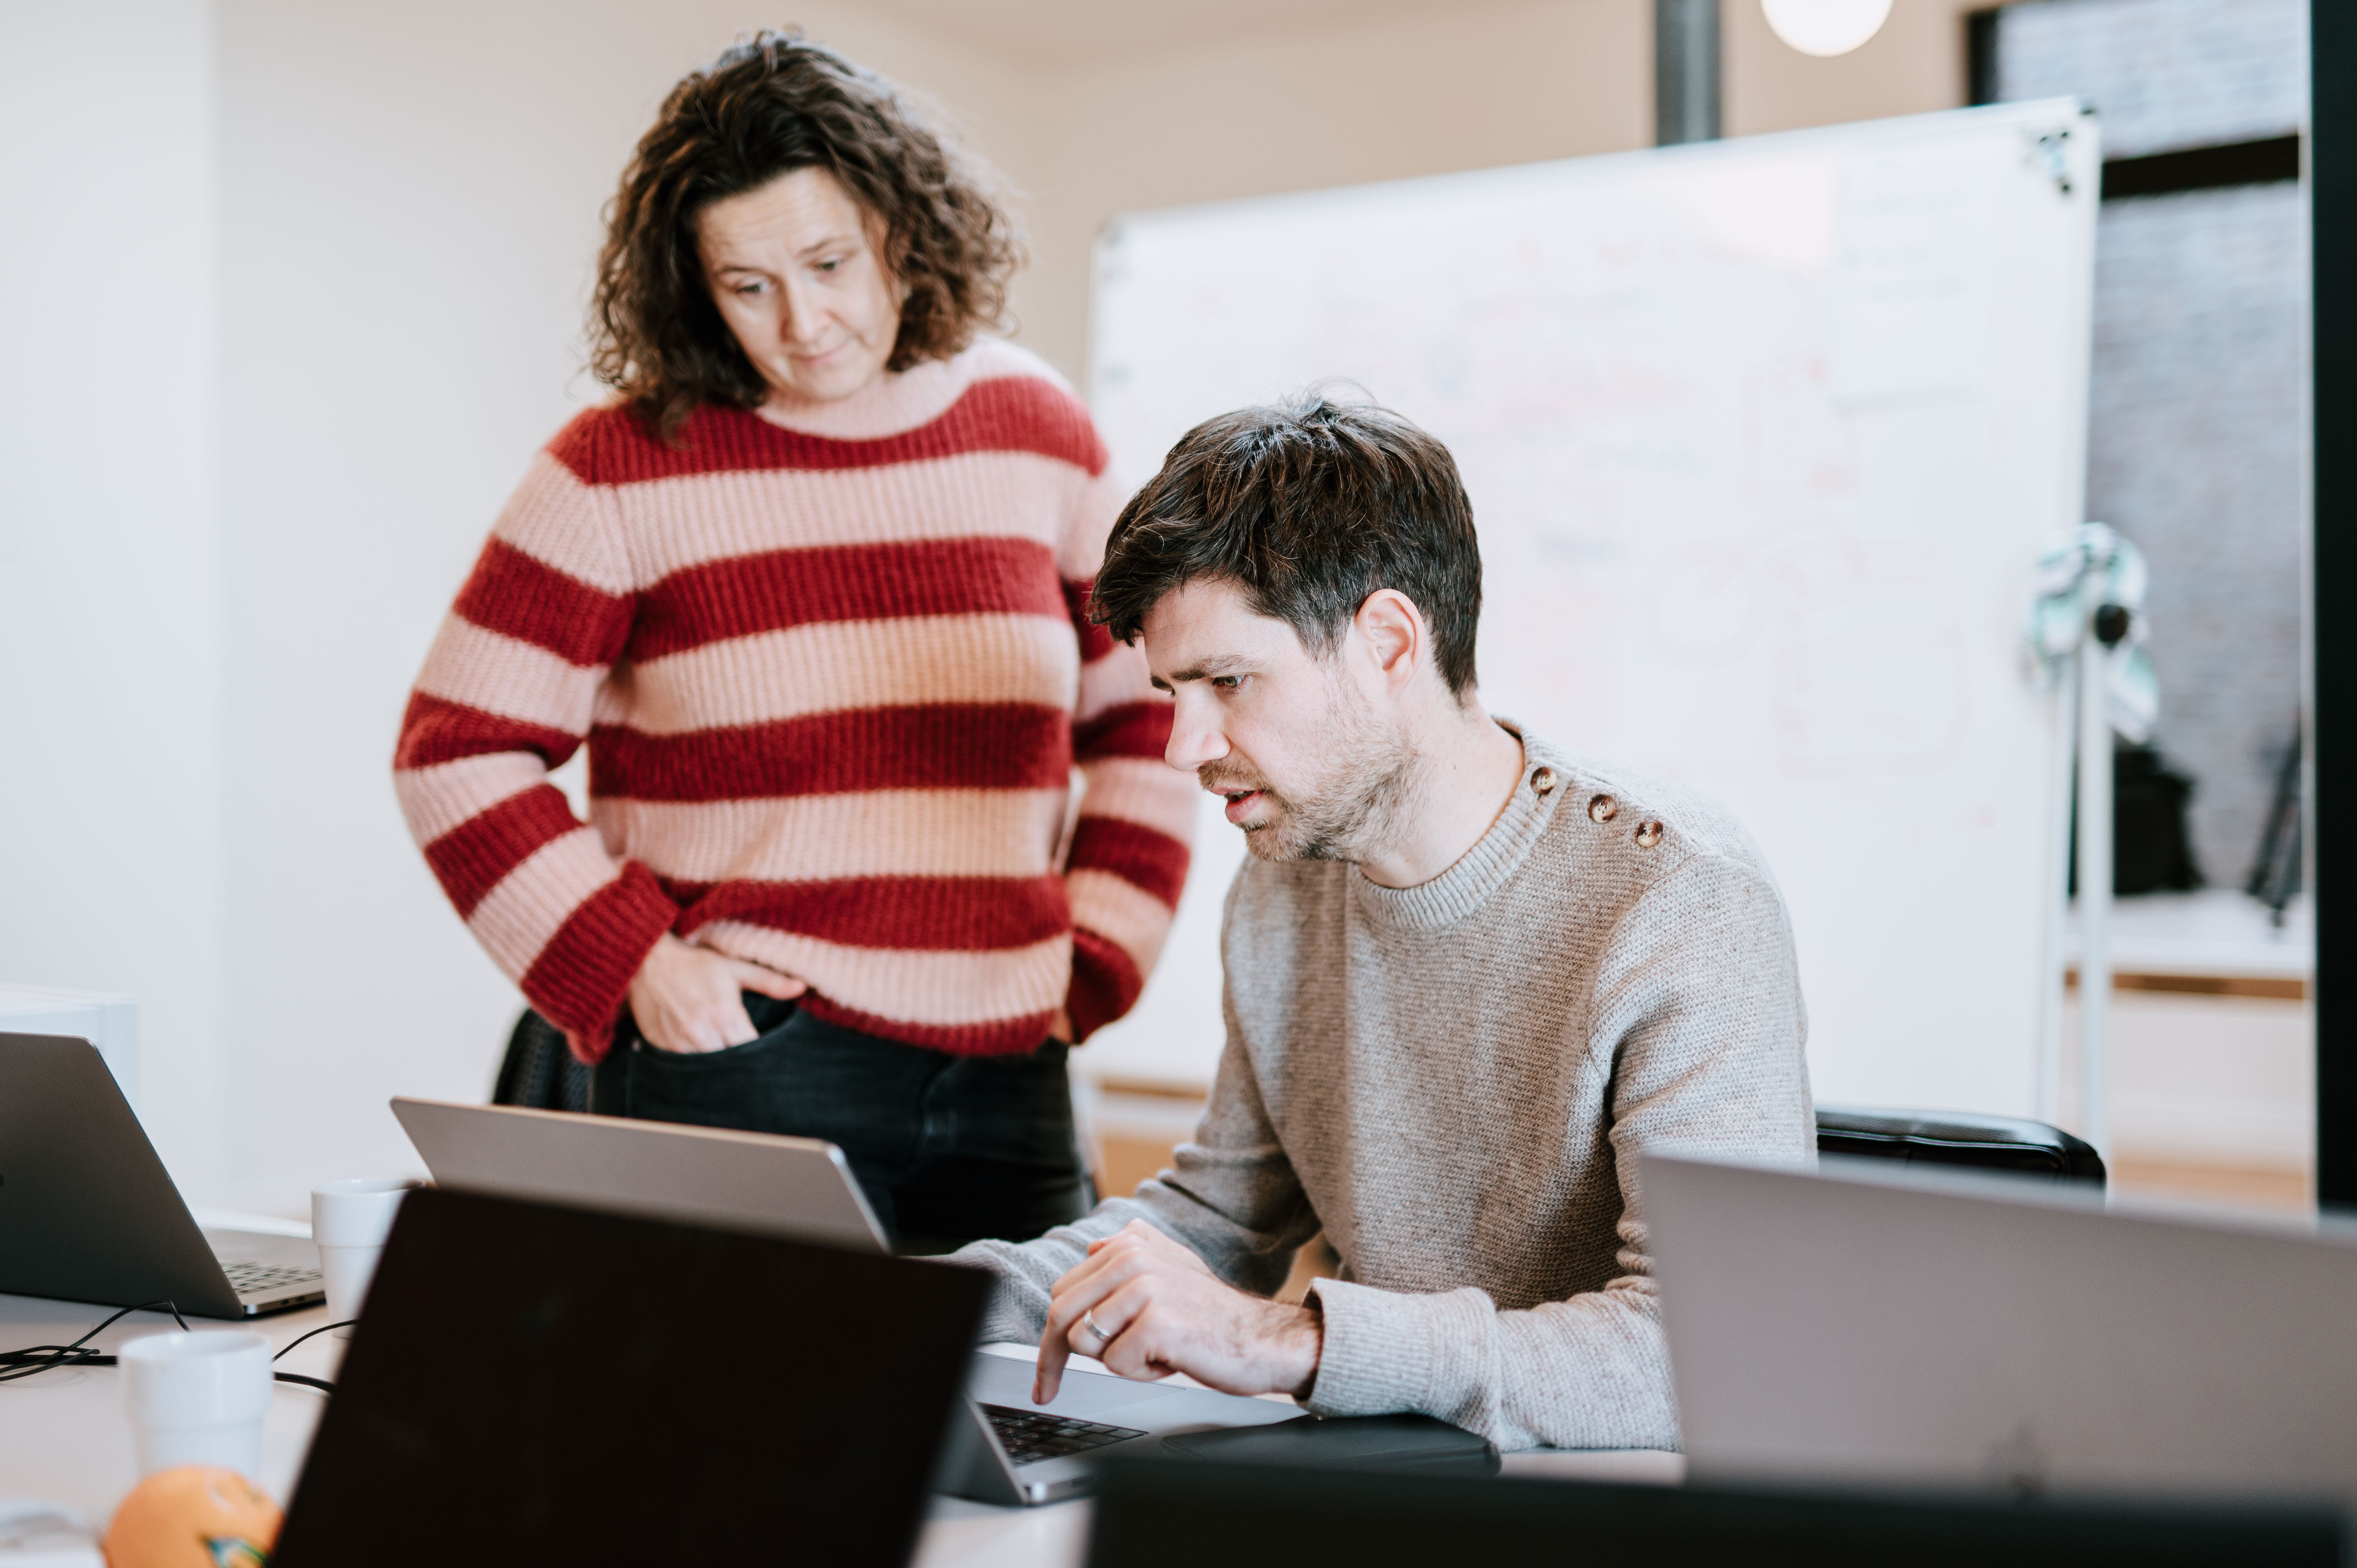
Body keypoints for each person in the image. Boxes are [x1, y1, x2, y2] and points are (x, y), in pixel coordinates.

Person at [392, 34, 1192, 1254]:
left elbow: (1147, 713)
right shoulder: (618, 463)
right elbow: (454, 751)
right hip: (745, 1060)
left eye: (828, 262)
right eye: (747, 284)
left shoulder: (1034, 430)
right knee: (728, 1434)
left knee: (1030, 1426)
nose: (804, 322)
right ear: (691, 286)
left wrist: (1097, 958)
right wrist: (634, 963)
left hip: (1010, 1068)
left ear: (900, 231)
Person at [956, 396, 1813, 1450]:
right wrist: (912, 1302)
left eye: (1227, 681)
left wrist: (1296, 1342)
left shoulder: (1678, 895)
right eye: (1174, 690)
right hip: (1388, 1472)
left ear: (1390, 641)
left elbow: (1700, 1353)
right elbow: (1219, 1218)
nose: (1184, 746)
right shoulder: (1283, 882)